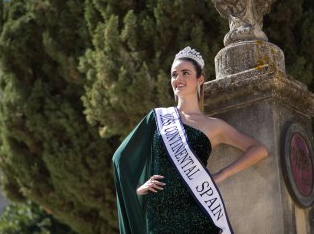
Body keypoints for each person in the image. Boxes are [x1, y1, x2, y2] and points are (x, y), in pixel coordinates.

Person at [112, 46, 269, 234]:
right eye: (174, 74)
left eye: (185, 73)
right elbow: (120, 159)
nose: (178, 79)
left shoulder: (214, 126)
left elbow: (258, 150)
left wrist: (221, 175)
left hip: (197, 209)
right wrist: (138, 188)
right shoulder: (158, 118)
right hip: (160, 215)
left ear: (199, 79)